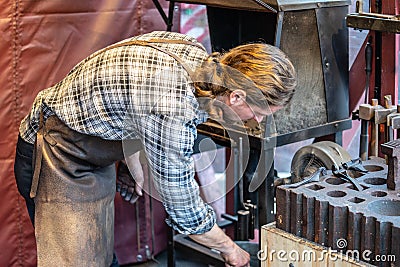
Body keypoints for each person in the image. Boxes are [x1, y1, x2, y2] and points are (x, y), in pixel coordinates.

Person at [14, 30, 296, 267]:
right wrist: (229, 249)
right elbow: (184, 208)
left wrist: (129, 153)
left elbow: (127, 94)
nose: (257, 121)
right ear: (236, 96)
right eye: (260, 112)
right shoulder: (174, 104)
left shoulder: (195, 55)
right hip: (55, 154)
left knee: (99, 256)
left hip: (88, 153)